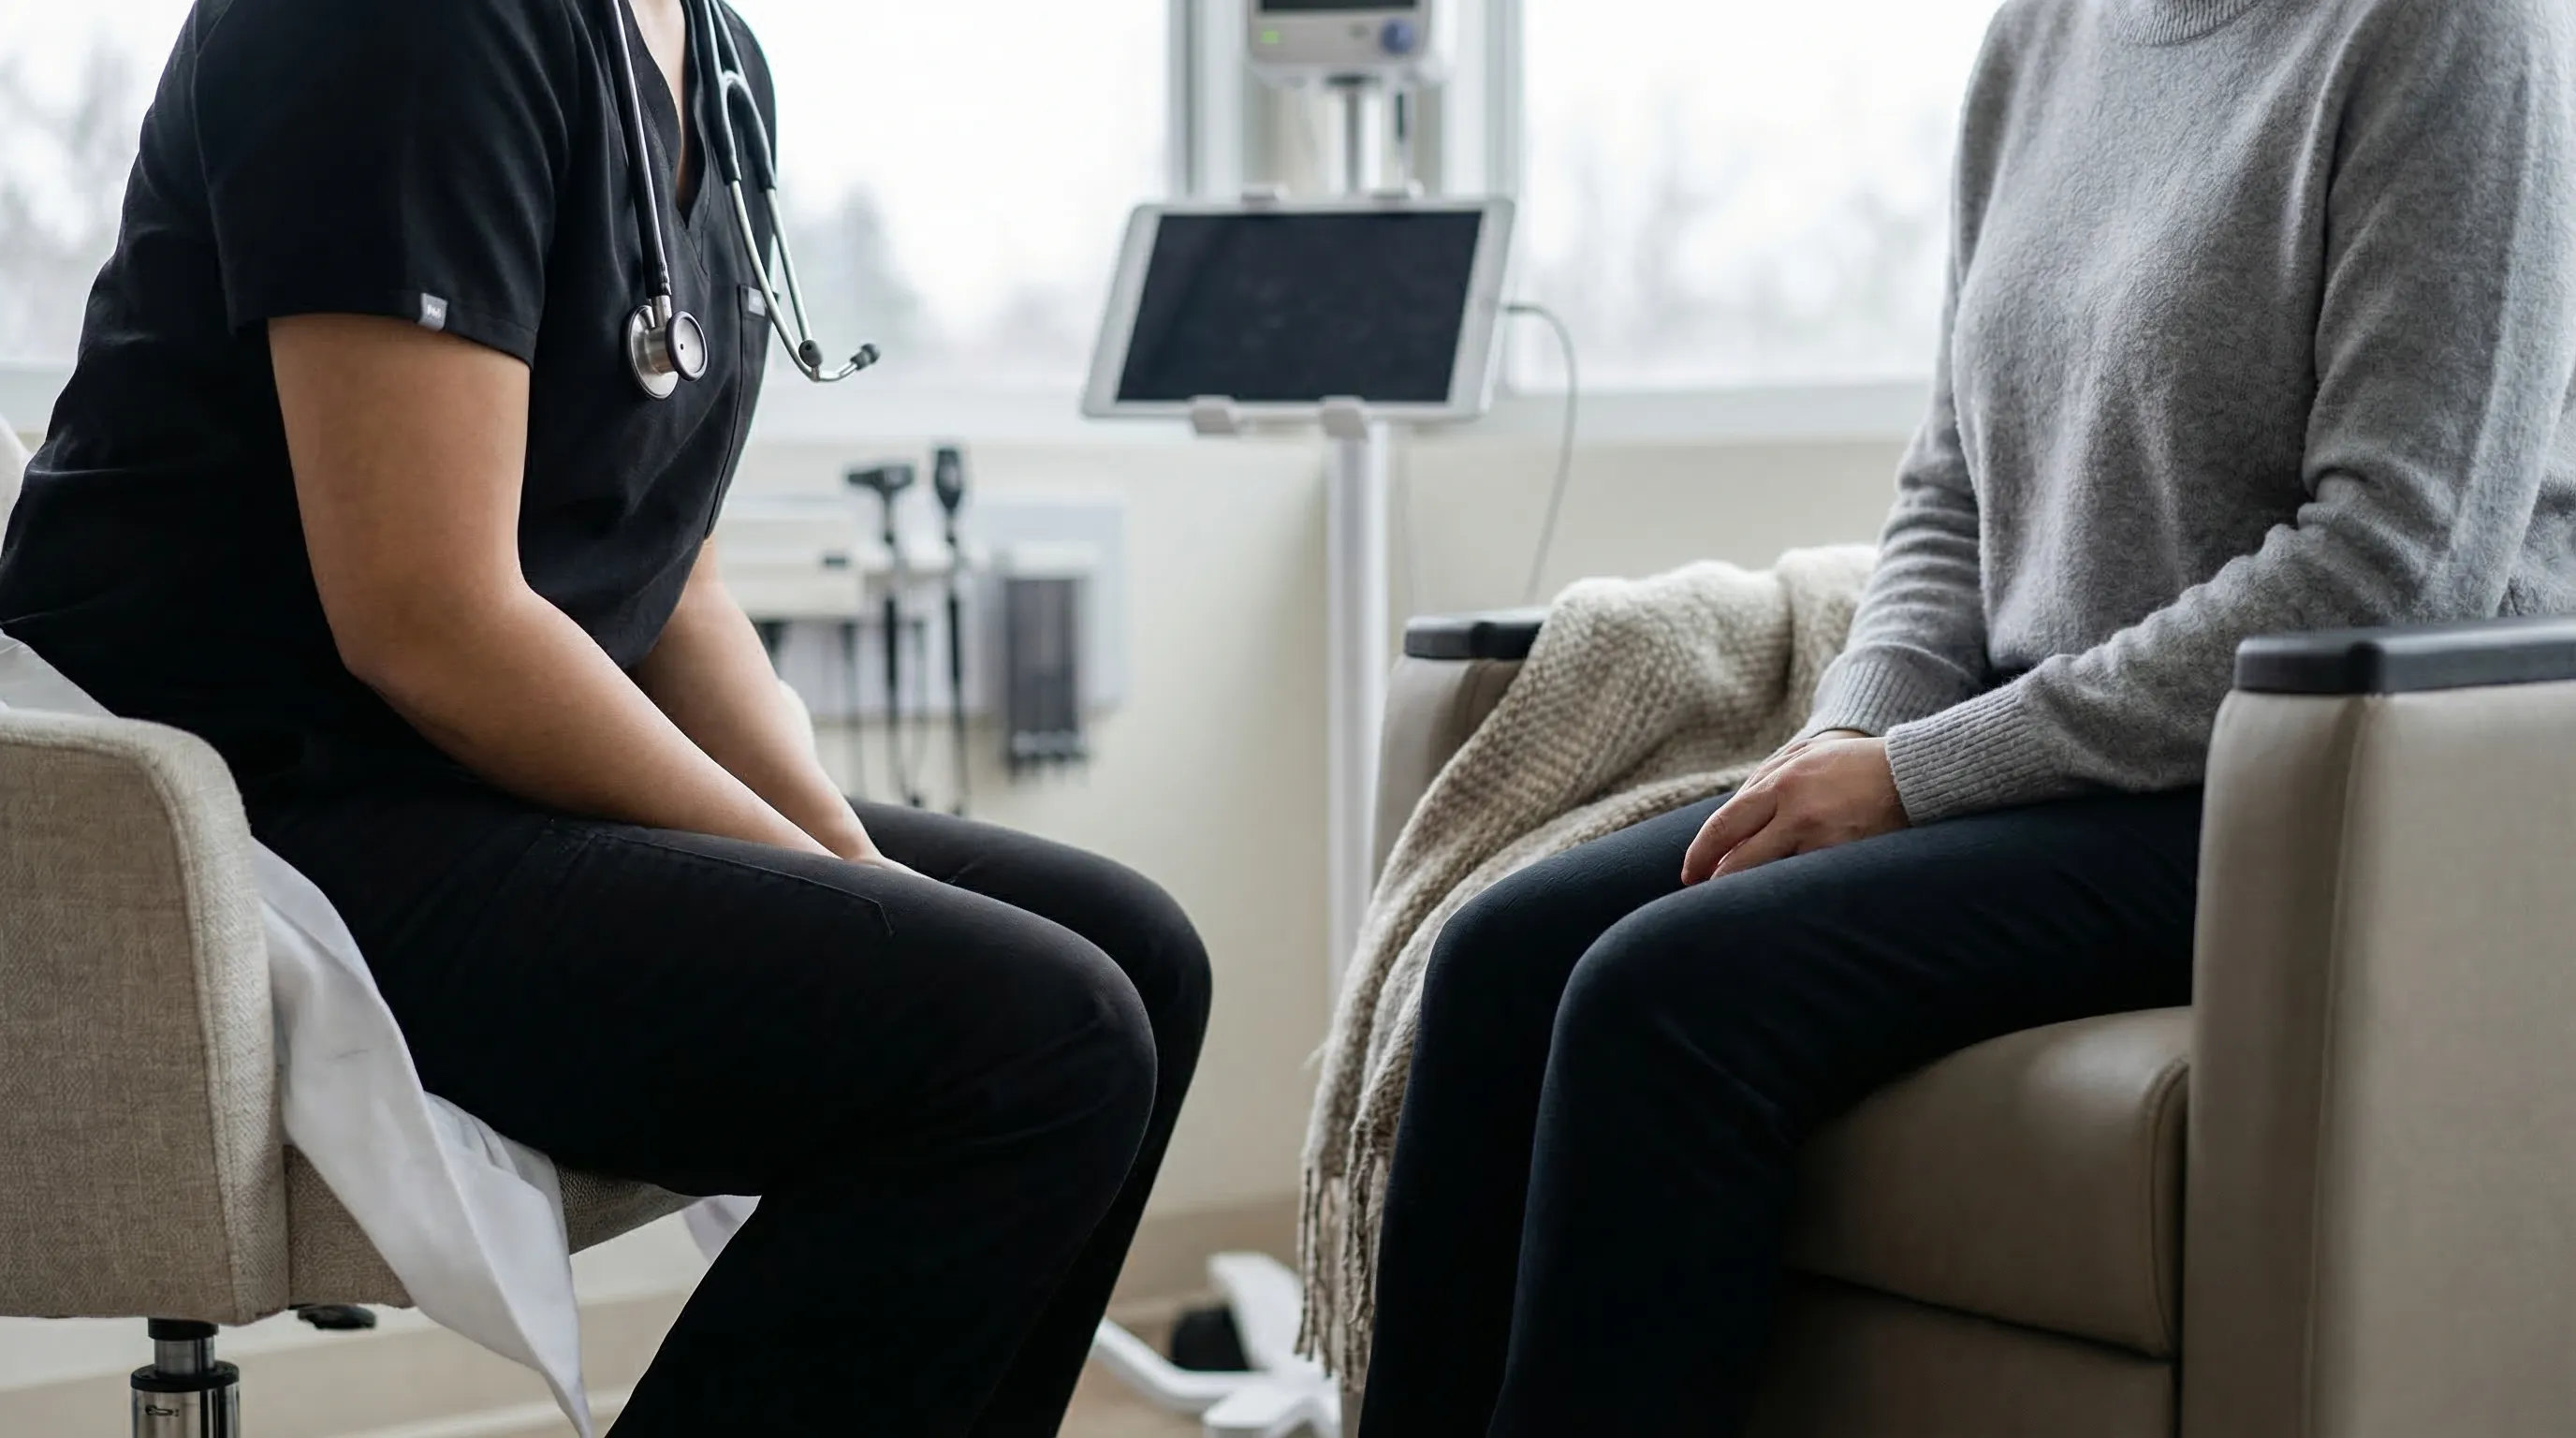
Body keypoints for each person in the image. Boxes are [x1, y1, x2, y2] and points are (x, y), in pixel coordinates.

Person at [1357, 0, 2576, 1431]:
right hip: (2051, 756)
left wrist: (1920, 778)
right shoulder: (2045, 35)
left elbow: (2394, 565)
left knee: (1664, 1000)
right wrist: (1846, 735)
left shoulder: (2454, 36)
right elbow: (1951, 494)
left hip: (2307, 789)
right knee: (1503, 951)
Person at [0, 0, 1210, 1432]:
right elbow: (430, 620)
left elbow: (668, 578)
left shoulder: (715, 60)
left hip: (461, 776)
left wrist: (838, 862)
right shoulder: (405, 32)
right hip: (246, 818)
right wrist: (834, 888)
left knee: (1137, 955)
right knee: (1038, 1034)